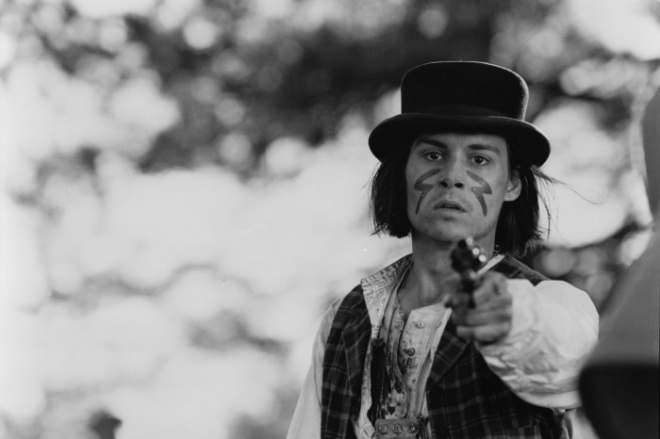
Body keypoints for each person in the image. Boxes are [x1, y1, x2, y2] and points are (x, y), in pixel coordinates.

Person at [287, 61, 599, 439]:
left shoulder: (552, 304)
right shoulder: (345, 320)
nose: (452, 176)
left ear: (512, 184)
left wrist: (511, 319)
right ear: (402, 172)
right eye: (433, 155)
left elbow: (563, 358)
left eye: (479, 159)